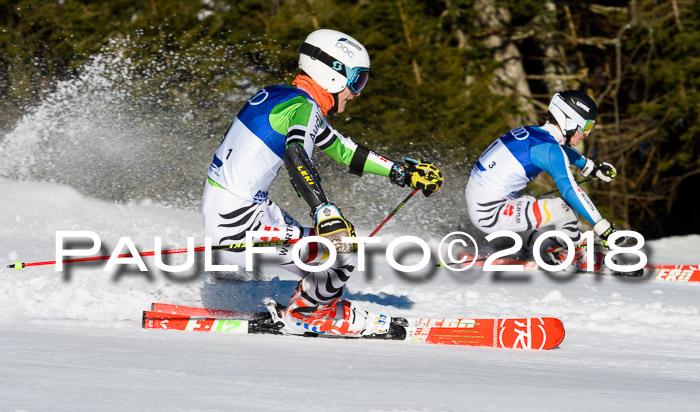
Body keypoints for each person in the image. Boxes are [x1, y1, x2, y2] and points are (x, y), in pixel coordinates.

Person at [202, 29, 443, 336]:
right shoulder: (303, 107)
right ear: (333, 74)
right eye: (358, 81)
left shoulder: (282, 97)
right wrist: (324, 210)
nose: (357, 92)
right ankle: (310, 314)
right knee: (343, 250)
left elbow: (342, 149)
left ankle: (314, 305)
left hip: (241, 211)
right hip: (238, 224)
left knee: (326, 252)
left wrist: (401, 172)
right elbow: (296, 155)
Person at [465, 90, 622, 265]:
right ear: (569, 122)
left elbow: (560, 152)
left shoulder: (532, 132)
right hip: (490, 212)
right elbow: (570, 189)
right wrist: (602, 226)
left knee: (550, 214)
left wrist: (590, 167)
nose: (586, 134)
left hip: (485, 200)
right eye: (585, 127)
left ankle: (540, 246)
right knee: (565, 210)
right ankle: (580, 259)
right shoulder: (550, 150)